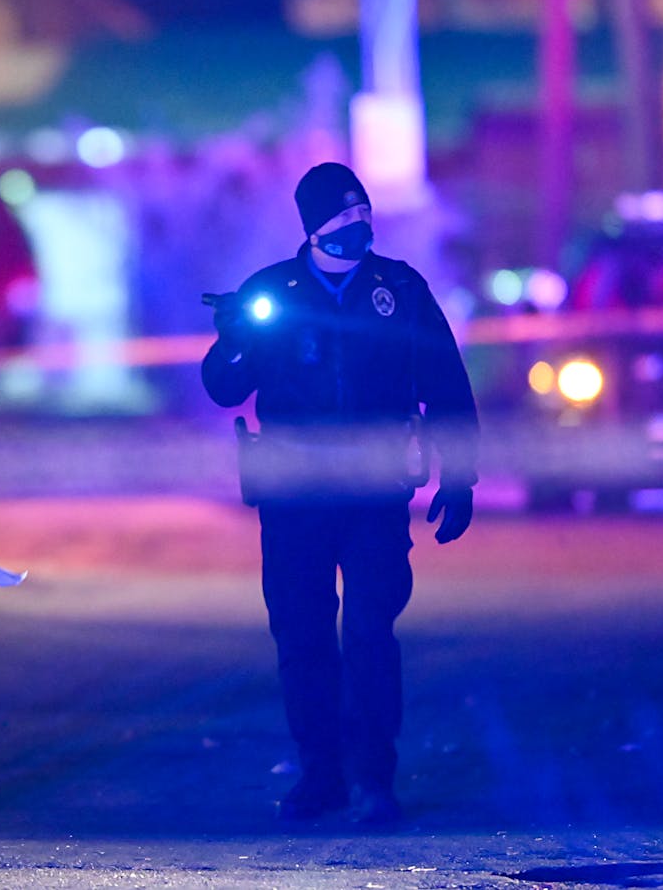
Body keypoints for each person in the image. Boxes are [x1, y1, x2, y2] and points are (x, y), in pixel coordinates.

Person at [201, 162, 478, 826]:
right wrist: (236, 339)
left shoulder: (400, 289)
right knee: (301, 636)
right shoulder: (273, 292)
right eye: (344, 218)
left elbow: (446, 383)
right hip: (294, 492)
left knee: (369, 632)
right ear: (314, 226)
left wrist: (460, 474)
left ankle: (373, 777)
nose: (359, 228)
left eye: (365, 216)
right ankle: (319, 774)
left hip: (375, 490)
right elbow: (223, 387)